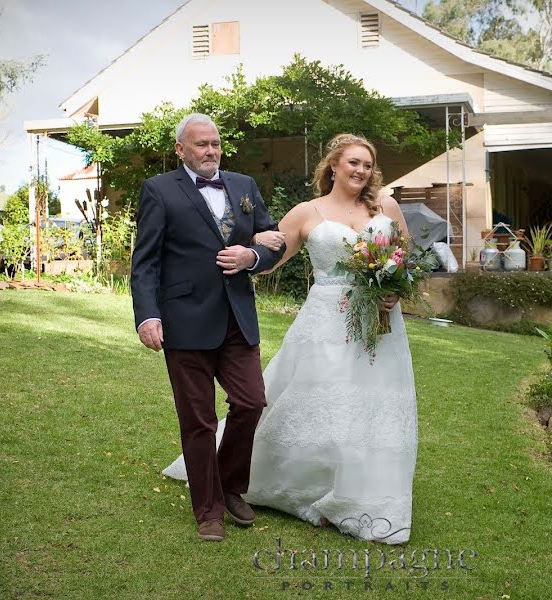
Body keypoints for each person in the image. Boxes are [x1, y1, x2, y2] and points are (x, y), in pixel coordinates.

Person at [165, 133, 418, 544]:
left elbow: (406, 257)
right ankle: (307, 486)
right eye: (353, 162)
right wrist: (240, 252)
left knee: (374, 407)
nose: (361, 171)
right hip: (327, 324)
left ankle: (363, 495)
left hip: (380, 324)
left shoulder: (385, 206)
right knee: (327, 405)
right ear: (333, 165)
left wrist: (396, 288)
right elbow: (266, 258)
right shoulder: (307, 212)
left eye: (367, 165)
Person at [132, 113, 286, 542]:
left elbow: (274, 240)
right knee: (198, 419)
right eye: (201, 144)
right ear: (181, 149)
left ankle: (229, 484)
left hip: (238, 318)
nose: (211, 151)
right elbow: (145, 263)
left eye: (215, 143)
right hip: (185, 322)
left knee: (251, 402)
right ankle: (208, 510)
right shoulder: (159, 191)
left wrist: (251, 258)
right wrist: (148, 315)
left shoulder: (244, 187)